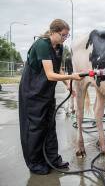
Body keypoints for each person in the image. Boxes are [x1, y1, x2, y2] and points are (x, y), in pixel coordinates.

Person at [19, 19, 83, 175]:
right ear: (53, 32)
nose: (64, 38)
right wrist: (72, 76)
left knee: (50, 126)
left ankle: (52, 159)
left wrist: (68, 83)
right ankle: (35, 163)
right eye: (63, 35)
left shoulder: (59, 47)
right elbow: (49, 74)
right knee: (36, 128)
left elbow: (58, 69)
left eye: (67, 36)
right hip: (32, 92)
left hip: (46, 92)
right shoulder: (42, 45)